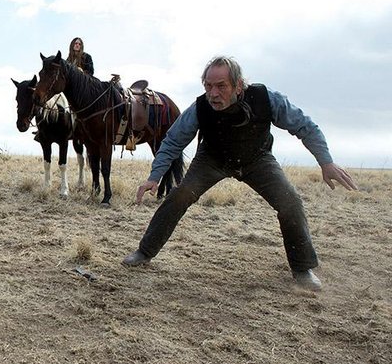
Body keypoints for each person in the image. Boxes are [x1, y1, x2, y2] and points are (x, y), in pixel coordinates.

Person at [121, 56, 357, 291]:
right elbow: (173, 140)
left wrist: (326, 162)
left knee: (290, 201)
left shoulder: (266, 99)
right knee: (180, 195)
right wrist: (155, 176)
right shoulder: (200, 108)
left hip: (257, 159)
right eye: (208, 86)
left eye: (221, 86)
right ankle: (145, 251)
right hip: (212, 159)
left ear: (239, 85)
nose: (213, 93)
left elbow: (305, 126)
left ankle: (302, 268)